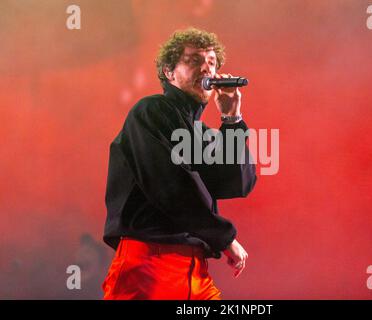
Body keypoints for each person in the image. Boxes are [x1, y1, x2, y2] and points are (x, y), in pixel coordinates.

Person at [102, 27, 257, 300]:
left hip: (196, 272)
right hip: (151, 266)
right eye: (194, 61)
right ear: (169, 72)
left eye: (211, 62)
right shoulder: (150, 112)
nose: (207, 69)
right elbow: (172, 186)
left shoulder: (202, 134)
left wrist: (232, 119)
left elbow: (239, 182)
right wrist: (224, 237)